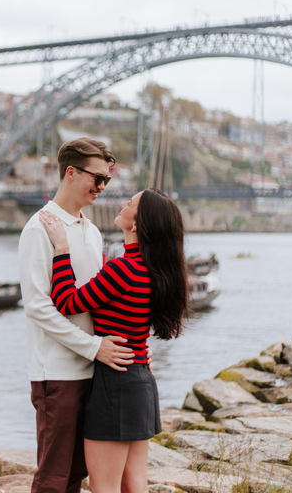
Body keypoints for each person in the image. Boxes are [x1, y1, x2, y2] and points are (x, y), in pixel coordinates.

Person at [38, 188, 187, 493]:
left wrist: (62, 249)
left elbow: (67, 302)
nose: (123, 203)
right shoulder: (152, 270)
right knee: (134, 483)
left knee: (104, 487)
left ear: (137, 224)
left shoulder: (124, 269)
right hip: (142, 379)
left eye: (130, 203)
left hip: (115, 384)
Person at [18, 137, 139, 493]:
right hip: (58, 372)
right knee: (54, 477)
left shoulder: (91, 230)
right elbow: (38, 307)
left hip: (93, 369)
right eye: (96, 178)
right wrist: (93, 347)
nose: (102, 186)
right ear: (71, 173)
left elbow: (94, 299)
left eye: (107, 180)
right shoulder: (38, 228)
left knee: (77, 473)